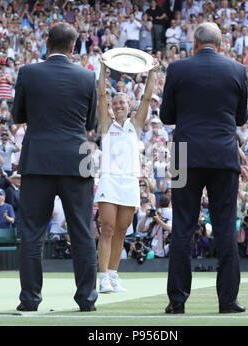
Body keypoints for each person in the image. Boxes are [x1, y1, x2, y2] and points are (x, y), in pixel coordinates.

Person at [160, 23, 248, 314]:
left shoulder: (177, 69)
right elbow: (240, 118)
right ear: (220, 44)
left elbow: (166, 115)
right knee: (224, 226)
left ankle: (177, 300)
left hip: (185, 153)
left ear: (194, 44)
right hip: (223, 155)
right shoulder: (237, 70)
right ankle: (228, 300)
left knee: (183, 226)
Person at [12, 23, 98, 312]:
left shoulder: (28, 72)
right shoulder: (88, 76)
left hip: (38, 160)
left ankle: (29, 300)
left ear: (46, 43)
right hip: (77, 159)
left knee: (32, 233)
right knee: (83, 232)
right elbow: (91, 124)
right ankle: (86, 300)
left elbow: (18, 115)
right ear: (74, 47)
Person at [94, 56, 157, 293]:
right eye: (116, 102)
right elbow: (101, 95)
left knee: (121, 231)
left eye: (123, 102)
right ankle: (102, 277)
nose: (119, 105)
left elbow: (148, 98)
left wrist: (152, 72)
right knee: (107, 228)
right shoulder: (105, 123)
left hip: (129, 182)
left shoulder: (136, 125)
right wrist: (102, 68)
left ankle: (113, 274)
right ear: (111, 106)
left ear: (129, 106)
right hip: (109, 180)